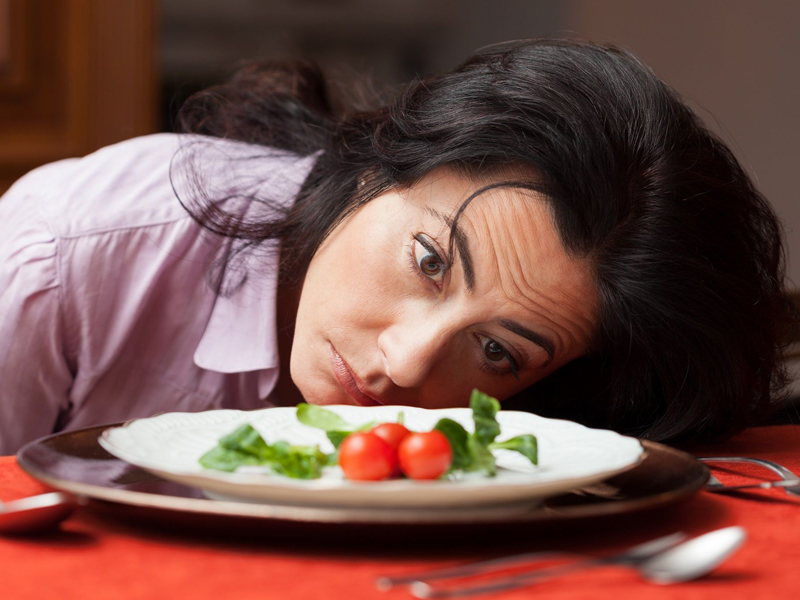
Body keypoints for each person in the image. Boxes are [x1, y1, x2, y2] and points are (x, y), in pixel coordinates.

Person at [0, 39, 790, 455]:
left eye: (497, 351)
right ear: (379, 161)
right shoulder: (67, 255)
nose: (407, 366)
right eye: (430, 262)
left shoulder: (533, 426)